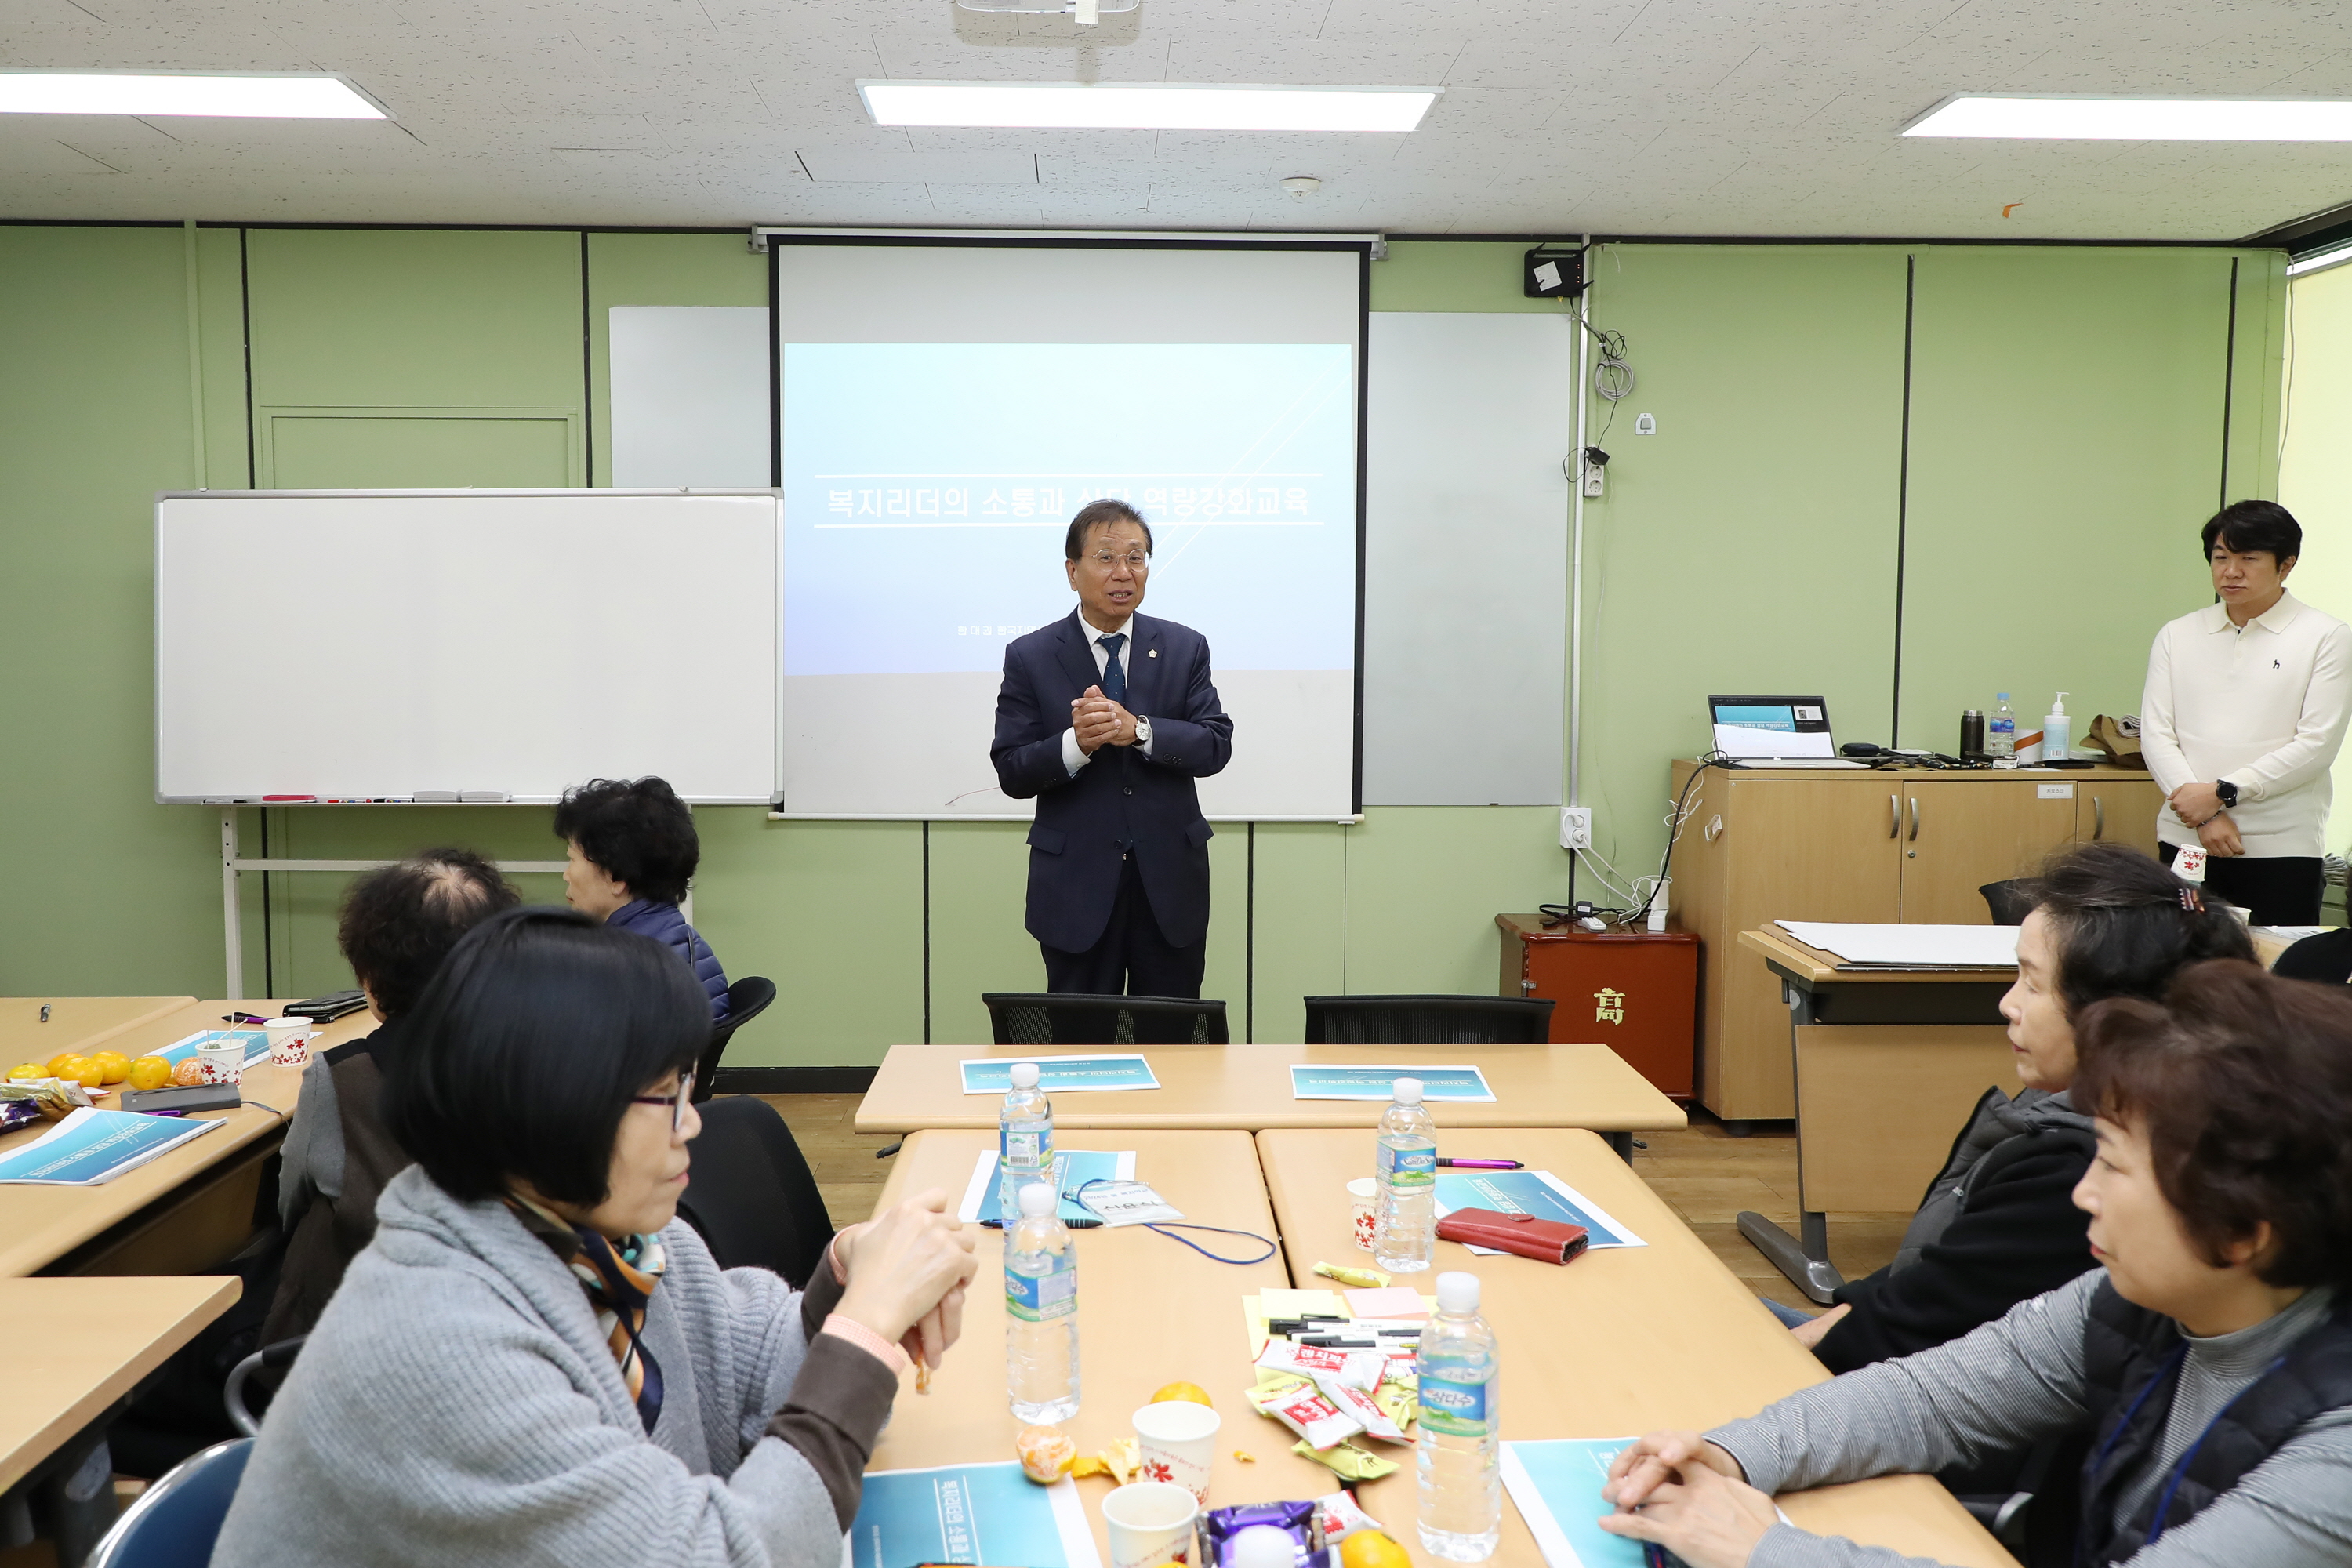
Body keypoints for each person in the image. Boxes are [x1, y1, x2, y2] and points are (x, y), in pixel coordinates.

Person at [214, 907, 978, 1568]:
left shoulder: (606, 1234)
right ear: (557, 1102)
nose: (692, 1120)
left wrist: (843, 1284)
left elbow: (752, 1375)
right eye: (664, 1092)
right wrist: (867, 1333)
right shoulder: (444, 1338)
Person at [1599, 960, 2352, 1568]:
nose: (2082, 1193)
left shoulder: (2337, 1457)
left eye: (2116, 1170)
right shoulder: (2135, 1301)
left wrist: (1764, 1549)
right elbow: (1929, 1398)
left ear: (2245, 1231)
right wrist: (1730, 1454)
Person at [1782, 844, 2253, 1374]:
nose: (2007, 1004)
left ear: (2111, 1014)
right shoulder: (2051, 1106)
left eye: (2032, 983)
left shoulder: (2076, 1171)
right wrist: (1839, 1313)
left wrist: (1799, 1344)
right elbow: (1932, 1269)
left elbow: (1910, 1335)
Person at [264, 848, 521, 1344]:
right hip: (514, 1322)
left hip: (363, 1337)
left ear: (373, 979)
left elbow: (289, 1202)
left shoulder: (341, 1077)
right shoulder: (547, 1061)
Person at [991, 499, 1233, 1000]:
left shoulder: (1185, 647)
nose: (1124, 572)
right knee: (1079, 1048)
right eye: (1106, 558)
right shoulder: (1031, 656)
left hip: (1168, 887)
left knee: (1174, 1048)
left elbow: (1215, 743)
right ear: (1072, 571)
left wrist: (1142, 731)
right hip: (1076, 887)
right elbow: (1012, 770)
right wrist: (1074, 746)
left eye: (1137, 557)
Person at [2140, 499, 2352, 924]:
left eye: (2248, 559)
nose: (2231, 571)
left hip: (2281, 847)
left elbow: (2315, 745)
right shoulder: (2178, 634)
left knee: (2276, 977)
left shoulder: (2325, 637)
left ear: (2286, 565)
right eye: (2221, 558)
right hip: (2186, 841)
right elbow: (2157, 734)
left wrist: (2221, 795)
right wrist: (2204, 816)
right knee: (2181, 969)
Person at [557, 774, 731, 1018]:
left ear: (617, 878)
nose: (567, 875)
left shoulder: (614, 973)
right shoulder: (687, 943)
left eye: (572, 859)